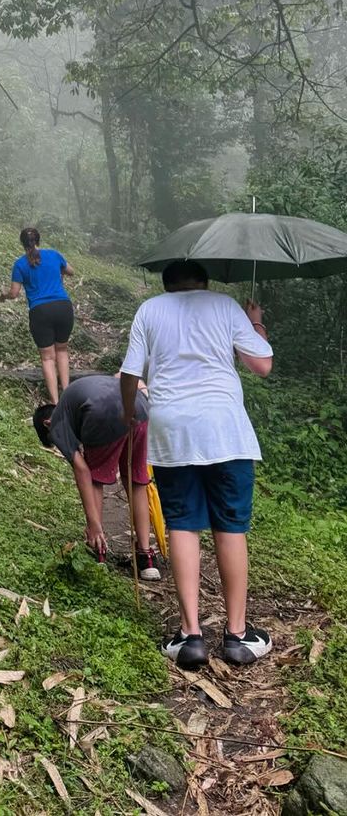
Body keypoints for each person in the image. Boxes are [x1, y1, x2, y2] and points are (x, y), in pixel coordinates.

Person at [119, 259, 273, 669]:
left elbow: (130, 373)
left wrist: (128, 411)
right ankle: (238, 636)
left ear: (167, 284)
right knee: (231, 525)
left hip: (173, 431)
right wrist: (254, 322)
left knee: (183, 524)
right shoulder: (225, 305)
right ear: (205, 281)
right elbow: (261, 365)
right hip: (225, 430)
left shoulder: (150, 309)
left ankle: (190, 637)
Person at [33, 375, 161, 579]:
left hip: (105, 412)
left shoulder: (56, 422)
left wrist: (92, 524)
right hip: (141, 408)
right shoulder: (73, 401)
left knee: (95, 478)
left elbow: (82, 470)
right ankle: (146, 558)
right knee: (136, 481)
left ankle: (97, 549)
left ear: (47, 423)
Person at [1, 226, 75, 403]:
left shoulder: (20, 264)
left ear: (22, 243)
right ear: (38, 240)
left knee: (48, 358)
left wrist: (3, 295)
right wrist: (59, 271)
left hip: (40, 312)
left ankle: (56, 404)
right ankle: (68, 395)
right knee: (62, 350)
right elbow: (71, 271)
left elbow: (14, 293)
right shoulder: (54, 255)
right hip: (63, 307)